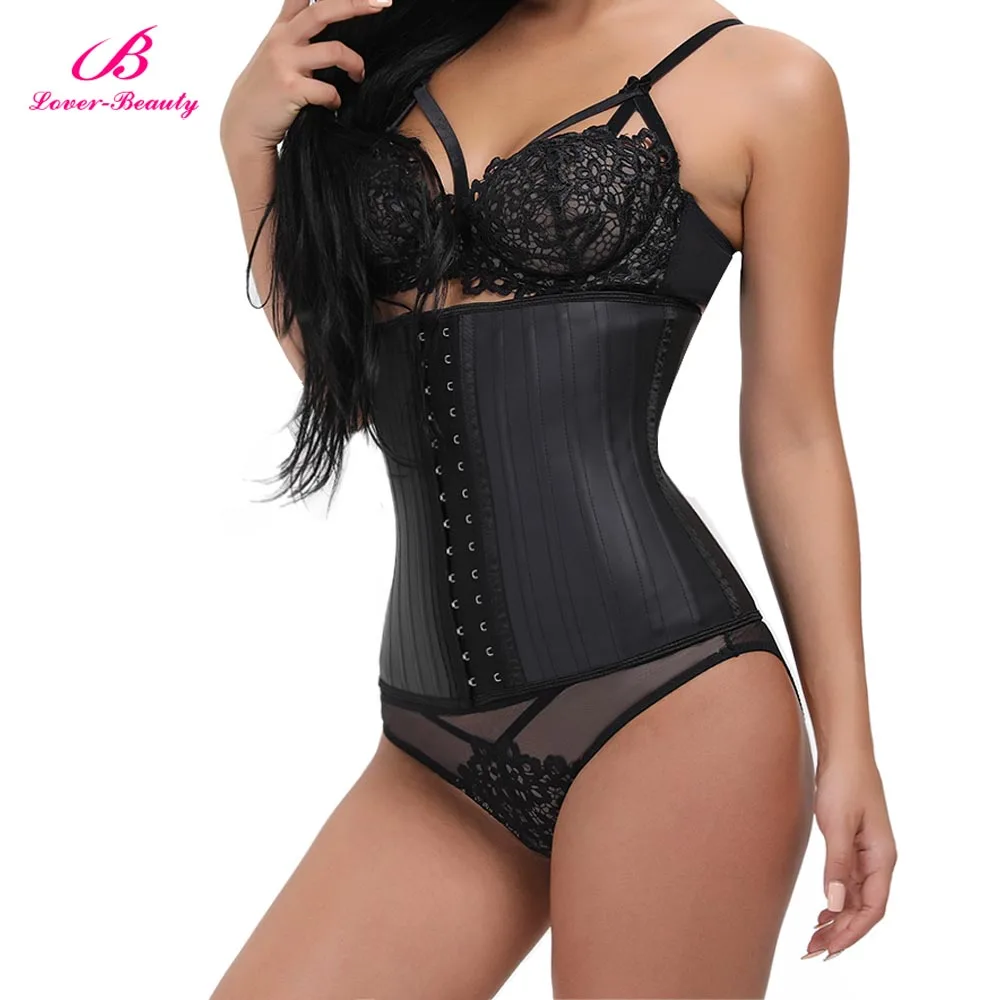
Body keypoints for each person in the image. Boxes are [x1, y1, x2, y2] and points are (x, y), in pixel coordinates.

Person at [216, 0, 897, 996]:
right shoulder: (402, 52)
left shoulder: (769, 83)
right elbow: (353, 388)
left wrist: (850, 746)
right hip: (430, 744)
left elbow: (792, 431)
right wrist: (247, 151)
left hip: (671, 706)